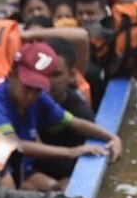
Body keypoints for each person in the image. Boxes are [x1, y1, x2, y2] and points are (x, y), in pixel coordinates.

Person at [0, 40, 122, 191]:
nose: (31, 95)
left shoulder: (39, 97)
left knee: (58, 188)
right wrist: (71, 152)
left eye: (37, 89)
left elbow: (74, 122)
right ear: (12, 74)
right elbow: (13, 144)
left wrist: (112, 138)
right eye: (27, 87)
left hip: (25, 169)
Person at [32, 36, 97, 183]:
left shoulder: (80, 112)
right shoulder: (22, 102)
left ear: (72, 75)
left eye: (56, 74)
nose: (48, 81)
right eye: (44, 73)